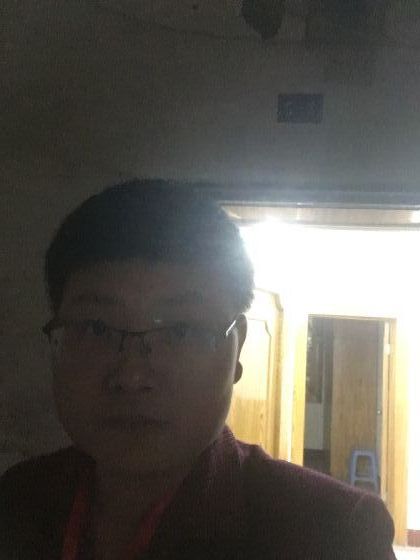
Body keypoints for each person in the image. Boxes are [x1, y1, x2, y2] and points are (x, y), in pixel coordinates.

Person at [0, 179, 396, 559]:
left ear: (237, 347)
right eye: (96, 328)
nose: (132, 376)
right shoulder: (17, 500)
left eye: (181, 331)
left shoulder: (331, 534)